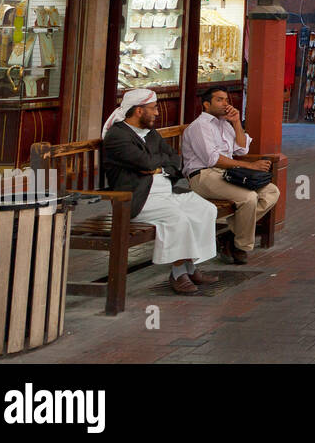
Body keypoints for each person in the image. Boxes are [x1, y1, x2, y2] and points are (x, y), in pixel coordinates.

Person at [101, 89, 219, 295]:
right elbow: (145, 162)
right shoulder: (117, 136)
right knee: (179, 220)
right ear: (139, 110)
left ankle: (190, 267)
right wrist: (158, 163)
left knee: (206, 209)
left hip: (167, 192)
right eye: (153, 108)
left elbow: (175, 159)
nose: (157, 113)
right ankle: (178, 273)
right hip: (138, 198)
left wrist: (158, 166)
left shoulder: (151, 133)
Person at [182, 86, 280, 264]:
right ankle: (240, 246)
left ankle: (230, 234)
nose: (225, 104)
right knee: (249, 198)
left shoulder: (224, 124)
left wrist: (236, 122)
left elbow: (242, 149)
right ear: (206, 104)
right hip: (203, 176)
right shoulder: (200, 127)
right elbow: (212, 159)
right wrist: (251, 166)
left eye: (226, 100)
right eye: (219, 100)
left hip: (227, 174)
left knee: (271, 191)